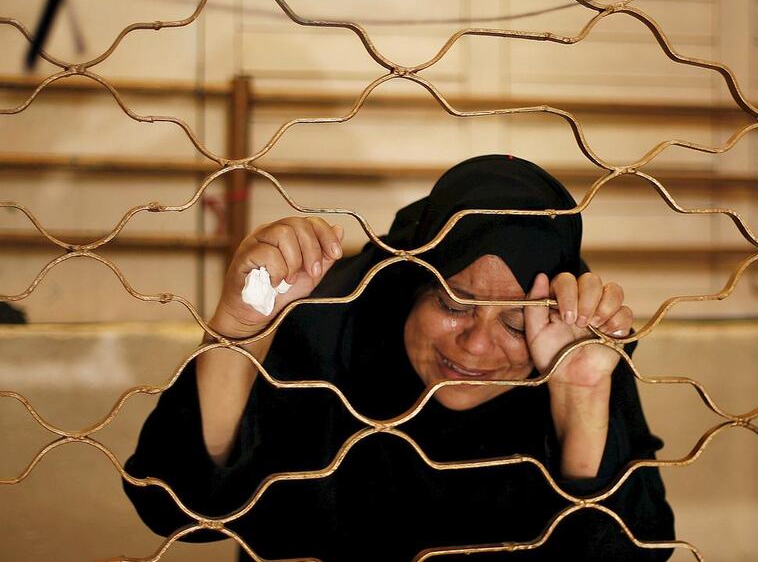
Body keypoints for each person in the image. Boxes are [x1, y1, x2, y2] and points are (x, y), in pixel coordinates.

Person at [124, 155, 674, 561]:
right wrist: (239, 328)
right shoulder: (329, 322)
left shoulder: (578, 348)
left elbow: (631, 554)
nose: (477, 347)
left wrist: (579, 399)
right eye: (455, 303)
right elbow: (178, 510)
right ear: (412, 282)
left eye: (513, 322)